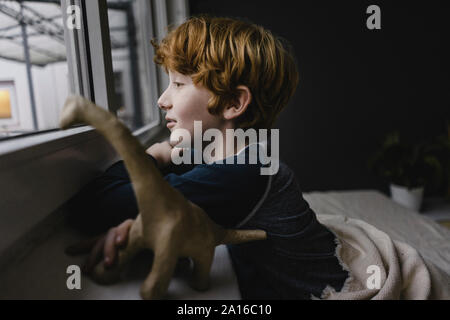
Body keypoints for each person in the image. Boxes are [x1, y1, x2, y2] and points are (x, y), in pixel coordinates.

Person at [65, 15, 349, 299]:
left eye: (178, 84)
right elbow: (150, 202)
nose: (162, 100)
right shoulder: (210, 160)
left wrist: (152, 155)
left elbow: (92, 205)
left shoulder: (244, 172)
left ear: (233, 103)